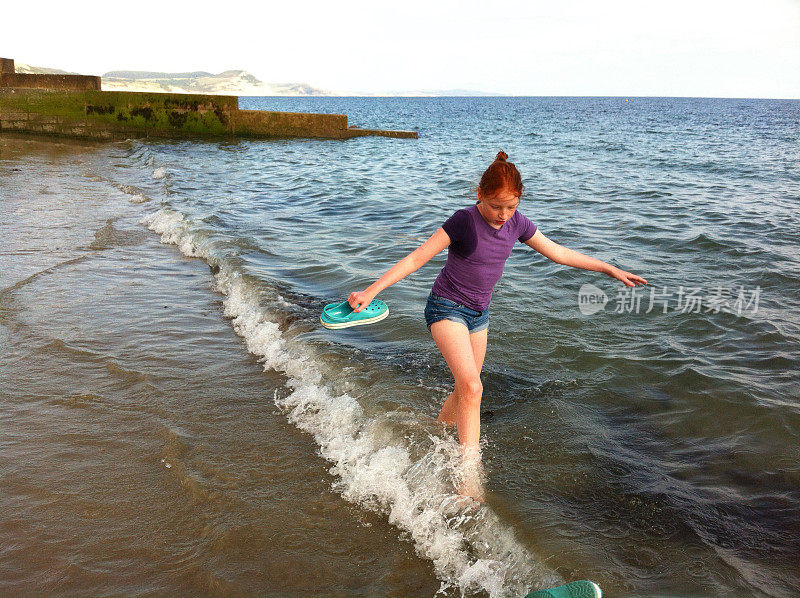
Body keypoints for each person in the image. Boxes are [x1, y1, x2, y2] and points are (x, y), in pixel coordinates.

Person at [347, 151, 647, 498]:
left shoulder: (518, 224)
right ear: (480, 194)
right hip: (446, 307)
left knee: (465, 388)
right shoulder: (462, 221)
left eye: (510, 207)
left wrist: (609, 268)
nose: (503, 215)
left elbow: (560, 253)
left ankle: (439, 430)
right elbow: (417, 257)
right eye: (495, 206)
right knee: (474, 388)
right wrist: (371, 291)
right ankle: (468, 479)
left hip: (479, 315)